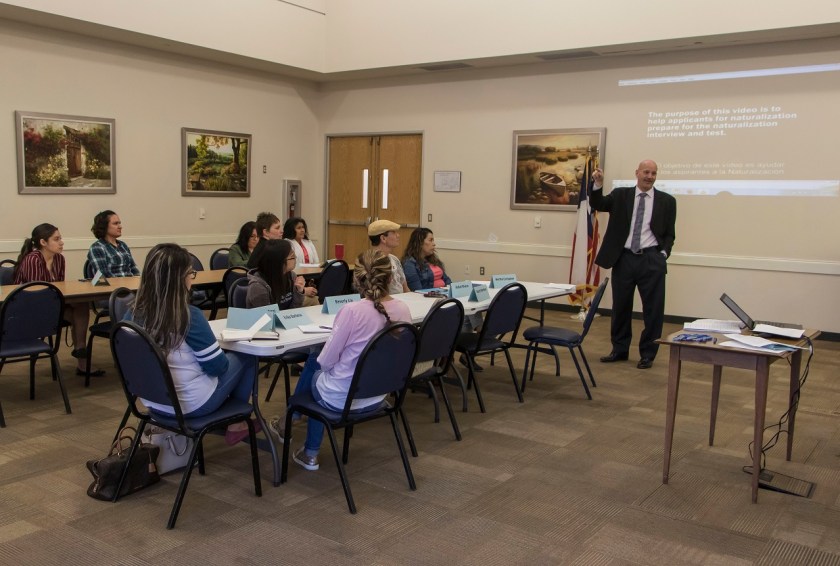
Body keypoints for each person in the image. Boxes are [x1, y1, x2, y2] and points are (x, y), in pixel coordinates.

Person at [269, 249, 412, 471]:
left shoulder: (352, 311)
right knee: (319, 367)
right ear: (392, 278)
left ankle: (305, 443)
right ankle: (293, 423)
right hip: (379, 395)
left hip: (342, 399)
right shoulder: (403, 309)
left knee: (315, 363)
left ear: (357, 280)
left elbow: (326, 362)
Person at [125, 243, 258, 444]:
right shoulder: (188, 316)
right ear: (179, 279)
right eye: (191, 273)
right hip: (192, 405)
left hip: (152, 401)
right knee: (247, 354)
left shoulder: (132, 313)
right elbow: (217, 368)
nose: (192, 278)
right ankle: (236, 423)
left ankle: (232, 419)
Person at [590, 159, 676, 369]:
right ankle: (619, 349)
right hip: (624, 258)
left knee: (653, 311)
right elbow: (598, 204)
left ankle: (648, 353)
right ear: (637, 173)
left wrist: (662, 254)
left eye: (654, 173)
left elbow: (669, 234)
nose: (649, 176)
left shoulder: (667, 201)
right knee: (621, 307)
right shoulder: (621, 195)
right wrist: (598, 184)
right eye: (646, 172)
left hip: (651, 260)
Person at [14, 223, 100, 377]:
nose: (61, 242)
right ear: (43, 242)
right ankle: (82, 359)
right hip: (29, 310)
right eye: (56, 239)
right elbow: (37, 294)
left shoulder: (59, 259)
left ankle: (80, 350)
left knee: (81, 304)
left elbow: (59, 289)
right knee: (77, 309)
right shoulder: (33, 259)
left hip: (52, 306)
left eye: (61, 238)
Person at [245, 239, 306, 310]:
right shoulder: (258, 287)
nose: (295, 258)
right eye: (292, 256)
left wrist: (299, 291)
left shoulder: (291, 276)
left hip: (285, 318)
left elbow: (293, 311)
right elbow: (267, 317)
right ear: (279, 262)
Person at [87, 210, 140, 278]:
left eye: (119, 223)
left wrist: (139, 282)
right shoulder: (97, 247)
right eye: (115, 223)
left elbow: (133, 269)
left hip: (130, 286)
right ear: (104, 226)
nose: (120, 226)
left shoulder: (123, 245)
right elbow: (103, 275)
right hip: (112, 287)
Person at [282, 217, 319, 304]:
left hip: (311, 275)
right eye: (299, 228)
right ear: (291, 229)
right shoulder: (287, 243)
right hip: (296, 277)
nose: (302, 230)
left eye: (303, 227)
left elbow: (316, 260)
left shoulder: (308, 242)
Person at [368, 219, 409, 295]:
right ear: (383, 238)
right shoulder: (370, 262)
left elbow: (405, 288)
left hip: (400, 301)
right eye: (394, 232)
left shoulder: (394, 259)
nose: (398, 235)